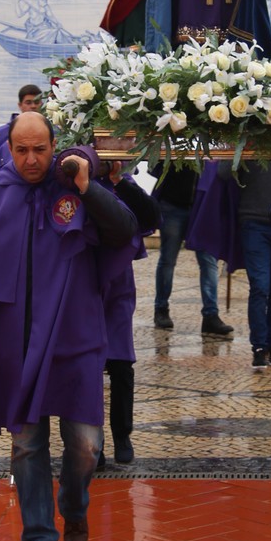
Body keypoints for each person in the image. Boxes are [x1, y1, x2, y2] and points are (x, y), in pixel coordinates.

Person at [0, 113, 138, 541]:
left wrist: (88, 187)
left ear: (54, 145)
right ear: (8, 149)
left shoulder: (73, 185)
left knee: (86, 445)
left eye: (39, 149)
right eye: (21, 150)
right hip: (16, 340)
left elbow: (124, 230)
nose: (31, 160)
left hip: (75, 335)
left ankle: (74, 504)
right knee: (27, 446)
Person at [189, 160, 271, 369]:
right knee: (260, 286)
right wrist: (239, 148)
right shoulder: (246, 146)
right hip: (253, 222)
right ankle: (259, 346)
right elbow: (223, 172)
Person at [97, 162, 160, 466]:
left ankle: (122, 434)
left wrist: (119, 180)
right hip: (83, 284)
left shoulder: (122, 183)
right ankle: (92, 441)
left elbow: (151, 216)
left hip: (118, 287)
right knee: (87, 365)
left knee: (121, 362)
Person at [151, 164, 232, 337]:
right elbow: (154, 167)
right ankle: (161, 308)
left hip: (203, 207)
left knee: (209, 261)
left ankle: (211, 315)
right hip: (173, 204)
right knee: (168, 260)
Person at [0, 84, 43, 187]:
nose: (33, 106)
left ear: (42, 104)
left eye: (36, 102)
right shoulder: (2, 133)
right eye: (28, 102)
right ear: (20, 105)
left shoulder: (52, 132)